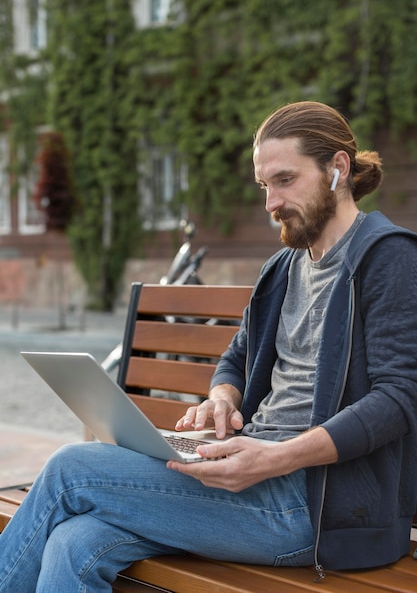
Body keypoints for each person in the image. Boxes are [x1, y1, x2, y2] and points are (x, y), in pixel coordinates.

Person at [1, 101, 417, 592]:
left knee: (70, 469)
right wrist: (221, 400)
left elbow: (399, 398)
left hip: (314, 506)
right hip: (249, 475)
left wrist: (275, 458)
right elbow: (236, 359)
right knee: (76, 541)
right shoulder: (284, 268)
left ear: (337, 169)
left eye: (285, 180)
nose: (271, 202)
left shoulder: (388, 257)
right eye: (265, 186)